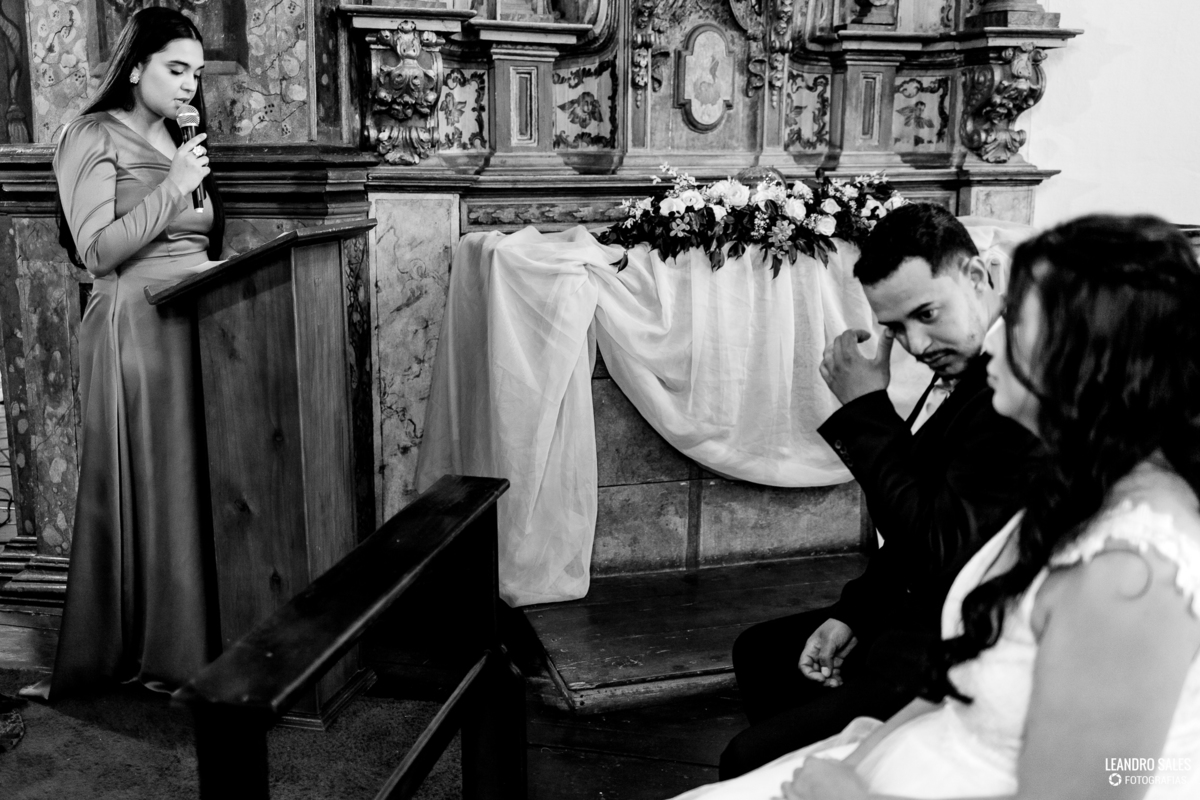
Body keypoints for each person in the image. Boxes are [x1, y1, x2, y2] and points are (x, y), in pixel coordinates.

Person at [672, 214, 1200, 800]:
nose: (996, 337)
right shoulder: (1081, 490)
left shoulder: (1132, 571)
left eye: (1020, 320)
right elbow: (964, 666)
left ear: (1092, 358)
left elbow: (1098, 781)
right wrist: (868, 746)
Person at [722, 204, 1043, 777]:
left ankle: (817, 768)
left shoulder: (1014, 389)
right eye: (896, 328)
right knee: (761, 651)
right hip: (911, 600)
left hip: (953, 635)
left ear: (975, 276)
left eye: (926, 313)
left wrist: (867, 410)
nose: (916, 345)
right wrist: (853, 613)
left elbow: (939, 547)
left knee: (746, 756)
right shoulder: (962, 365)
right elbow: (915, 518)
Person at [21, 7, 224, 700]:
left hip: (195, 322)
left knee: (183, 486)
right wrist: (171, 188)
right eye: (175, 69)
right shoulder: (90, 134)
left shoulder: (178, 136)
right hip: (131, 324)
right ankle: (132, 652)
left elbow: (196, 238)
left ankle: (185, 649)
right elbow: (97, 250)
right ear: (135, 67)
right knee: (143, 480)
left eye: (196, 73)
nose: (189, 85)